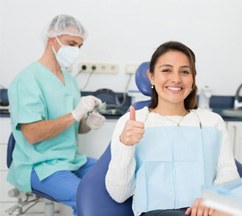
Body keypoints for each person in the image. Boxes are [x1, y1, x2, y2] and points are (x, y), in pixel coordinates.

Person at [105, 41, 240, 216]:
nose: (176, 79)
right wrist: (125, 145)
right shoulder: (133, 121)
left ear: (192, 79)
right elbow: (119, 194)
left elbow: (228, 174)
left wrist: (213, 199)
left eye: (184, 72)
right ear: (151, 76)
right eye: (166, 70)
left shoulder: (212, 122)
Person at [7, 14, 105, 216]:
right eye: (71, 43)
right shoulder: (27, 80)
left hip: (72, 159)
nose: (76, 51)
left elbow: (75, 126)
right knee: (89, 200)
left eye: (79, 46)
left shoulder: (69, 80)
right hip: (40, 165)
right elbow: (32, 134)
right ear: (53, 38)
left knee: (117, 180)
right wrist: (75, 114)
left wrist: (88, 122)